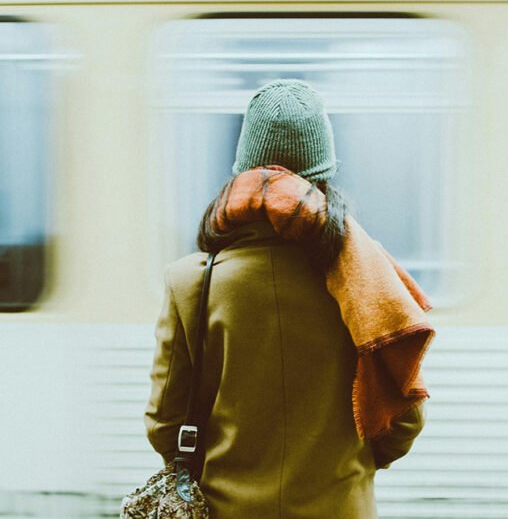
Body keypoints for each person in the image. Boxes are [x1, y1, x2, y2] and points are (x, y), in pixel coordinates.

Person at [144, 79, 432, 518]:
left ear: (243, 174)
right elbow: (402, 419)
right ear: (324, 176)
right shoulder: (364, 280)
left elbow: (166, 423)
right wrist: (349, 467)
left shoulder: (190, 284)